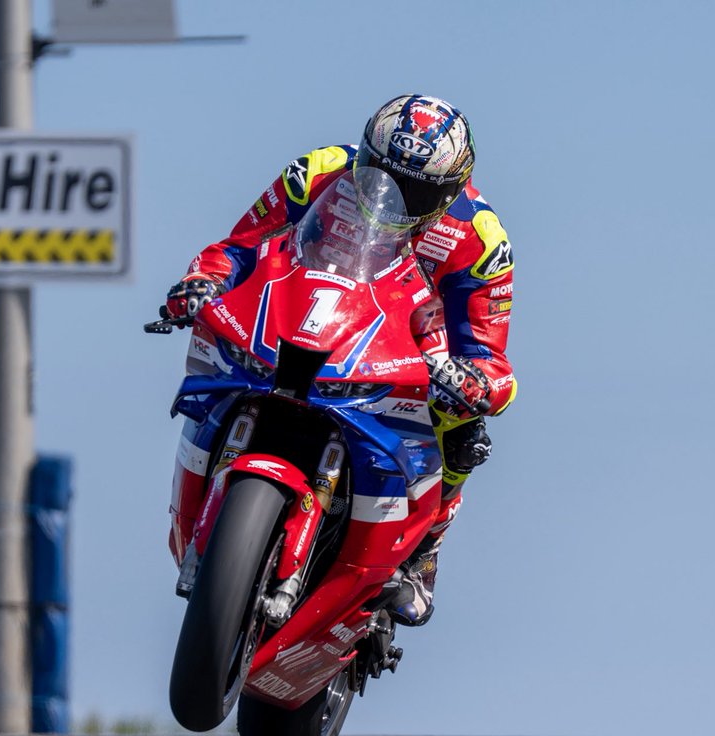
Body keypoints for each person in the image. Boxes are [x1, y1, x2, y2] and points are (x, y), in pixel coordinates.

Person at [163, 94, 516, 626]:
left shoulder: (481, 240)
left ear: (448, 191)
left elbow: (488, 355)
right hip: (306, 317)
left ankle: (424, 552)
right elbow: (240, 247)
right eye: (380, 174)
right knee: (220, 355)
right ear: (365, 155)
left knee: (463, 428)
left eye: (414, 189)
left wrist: (473, 383)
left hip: (407, 347)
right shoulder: (318, 170)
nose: (391, 196)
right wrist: (202, 281)